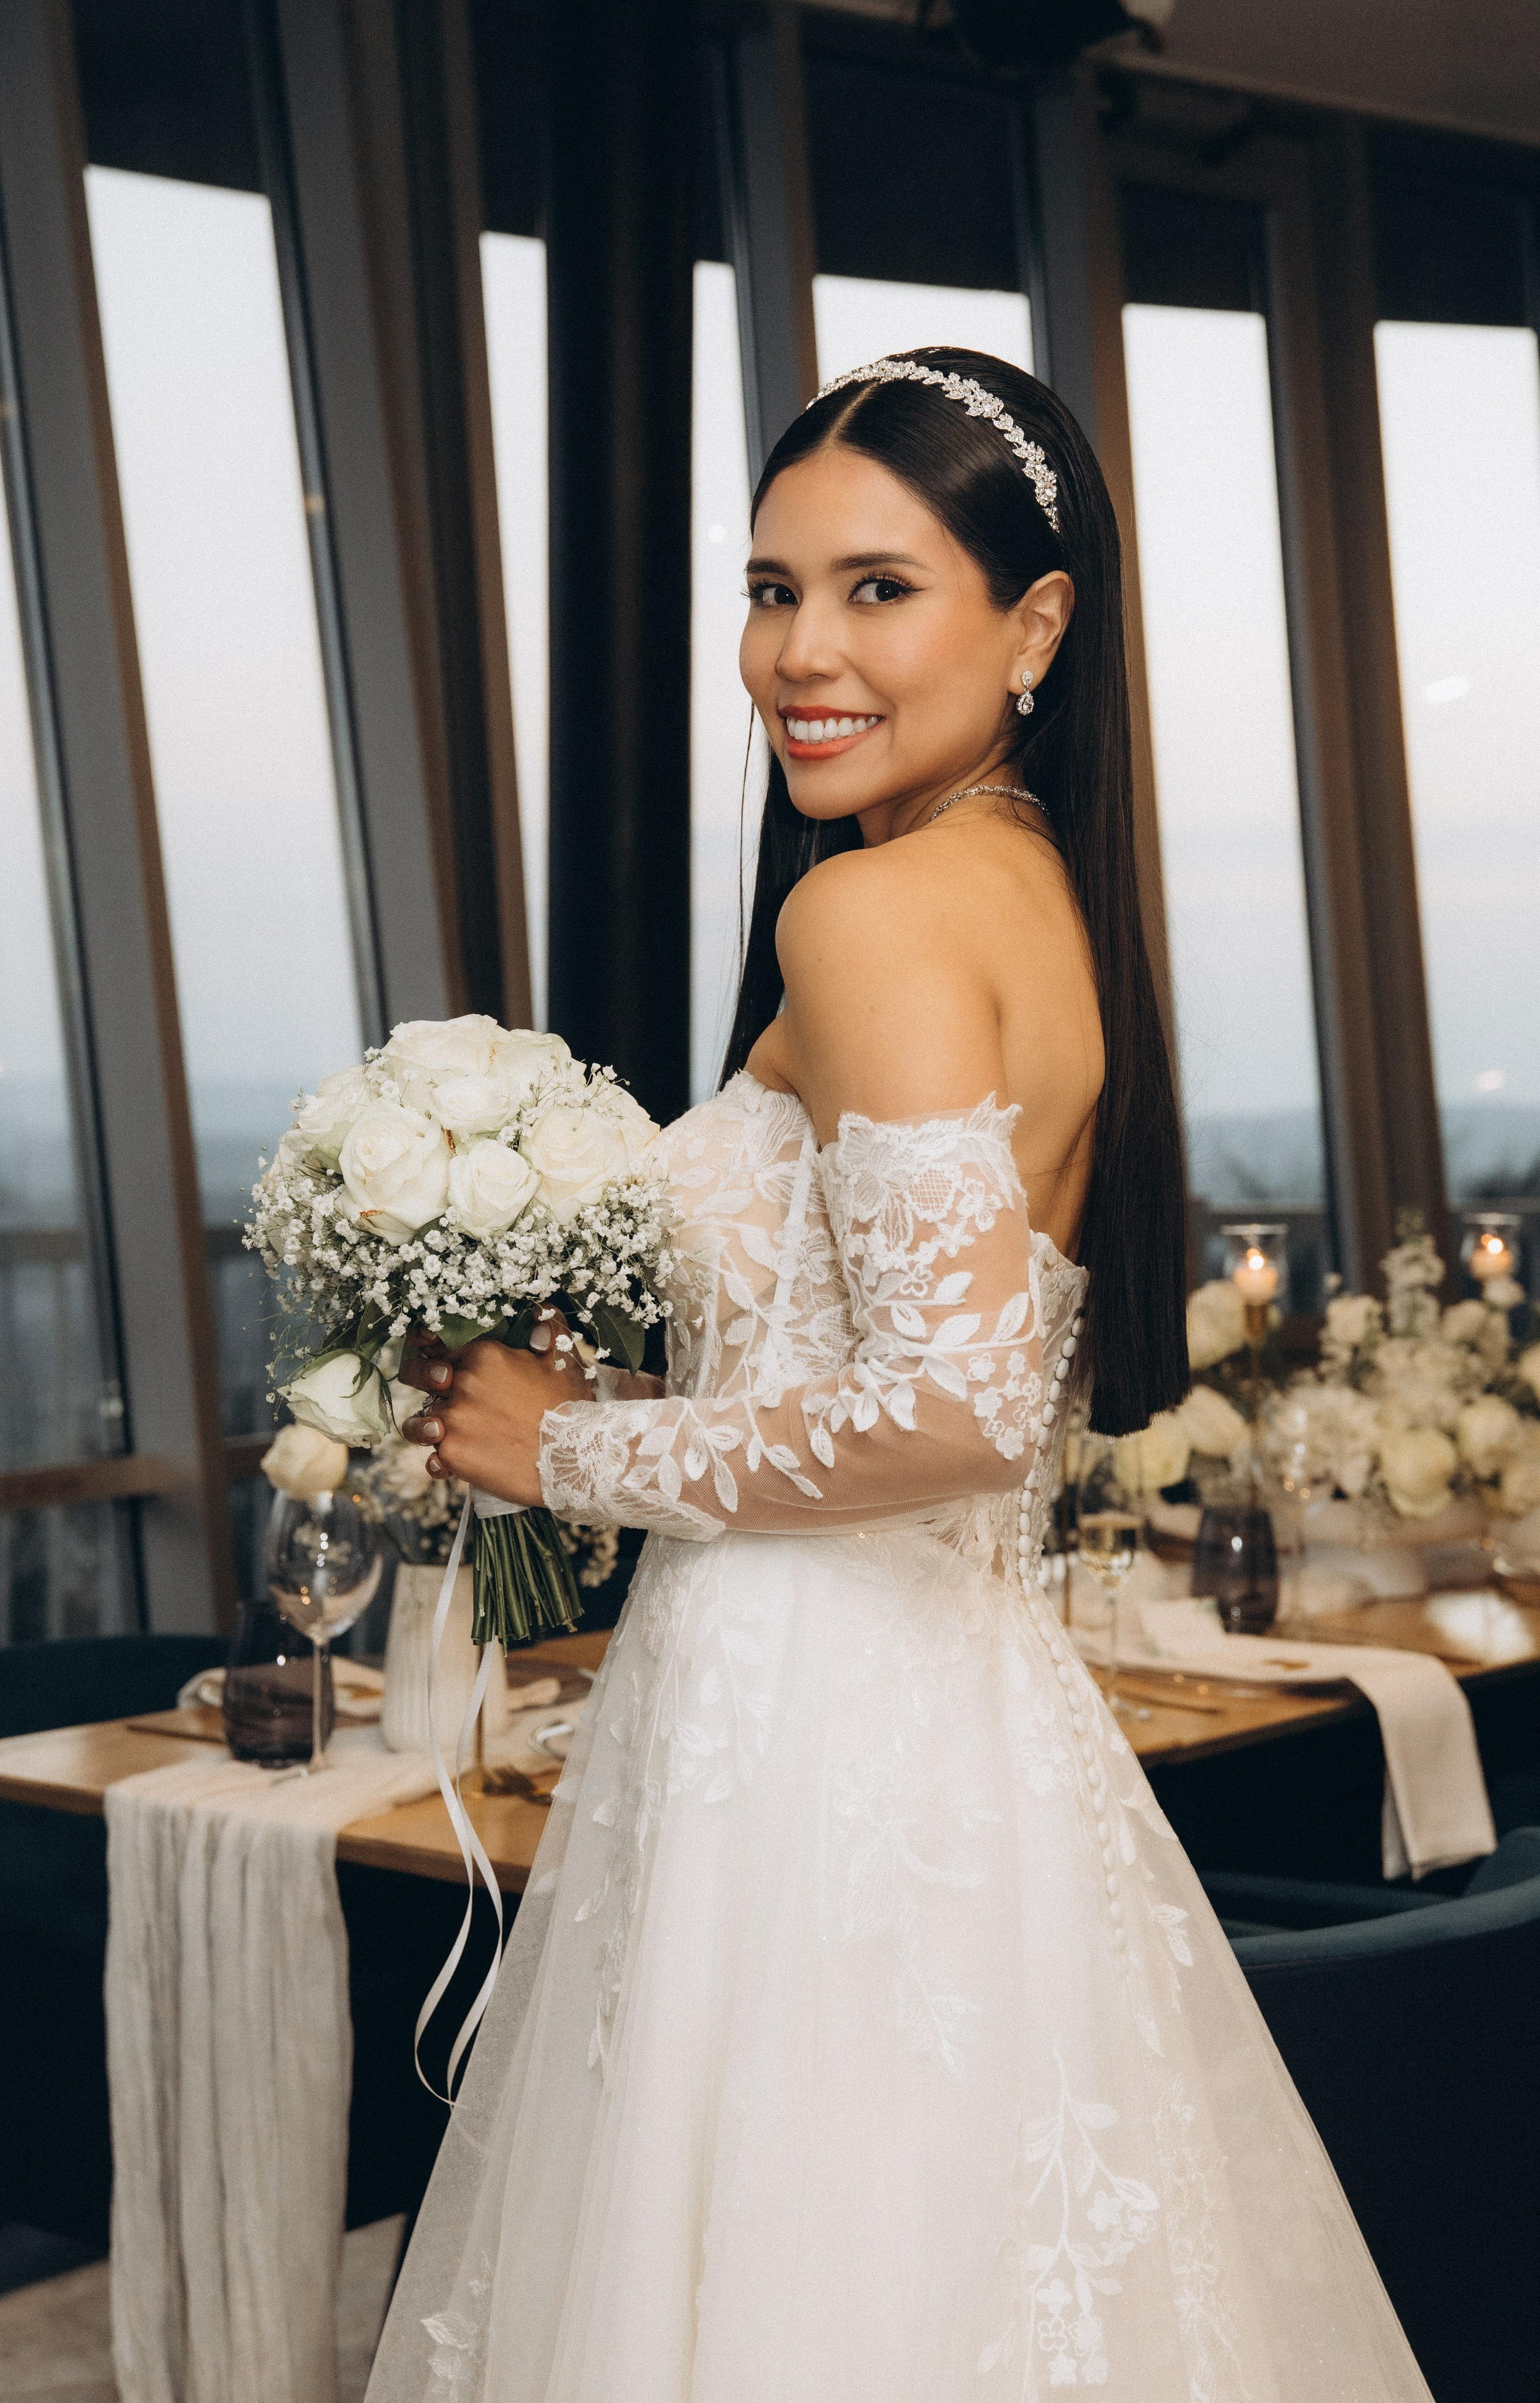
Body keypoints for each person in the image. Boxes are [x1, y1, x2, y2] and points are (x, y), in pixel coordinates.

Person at [364, 353, 1430, 2401]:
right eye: (773, 591)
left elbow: (951, 1412)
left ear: (1034, 625)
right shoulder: (1029, 891)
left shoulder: (869, 912)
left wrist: (556, 1441)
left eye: (878, 590)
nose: (799, 654)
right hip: (926, 1705)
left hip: (814, 1724)